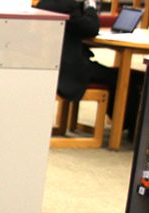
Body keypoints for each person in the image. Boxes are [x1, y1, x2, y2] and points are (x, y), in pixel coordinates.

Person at [38, 0, 142, 134]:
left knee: (117, 75)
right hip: (71, 71)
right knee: (128, 77)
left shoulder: (44, 3)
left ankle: (123, 122)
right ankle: (127, 128)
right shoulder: (69, 6)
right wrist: (91, 6)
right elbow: (92, 28)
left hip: (57, 65)